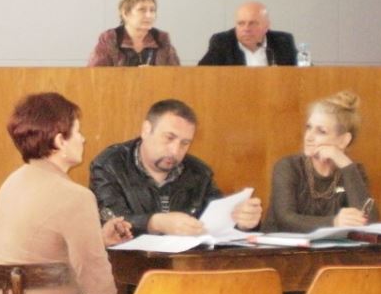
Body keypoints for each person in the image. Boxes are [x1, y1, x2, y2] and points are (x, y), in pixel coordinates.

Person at [0, 92, 130, 294]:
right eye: (78, 132)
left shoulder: (12, 182)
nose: (84, 139)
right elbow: (97, 282)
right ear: (59, 141)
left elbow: (38, 247)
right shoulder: (75, 197)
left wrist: (97, 239)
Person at [90, 99, 262, 236]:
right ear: (146, 130)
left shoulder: (199, 173)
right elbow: (111, 221)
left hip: (187, 265)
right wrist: (155, 223)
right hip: (129, 265)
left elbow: (216, 220)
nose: (175, 150)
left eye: (185, 143)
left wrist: (242, 222)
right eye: (169, 138)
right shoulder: (109, 165)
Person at [263, 90, 379, 232]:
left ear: (343, 140)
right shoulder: (288, 166)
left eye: (321, 131)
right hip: (278, 245)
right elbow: (285, 219)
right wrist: (334, 222)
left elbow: (369, 222)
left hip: (331, 247)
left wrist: (345, 163)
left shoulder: (353, 172)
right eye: (309, 128)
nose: (309, 137)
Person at [87, 0, 181, 66]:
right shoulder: (110, 38)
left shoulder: (161, 38)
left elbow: (176, 75)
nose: (149, 15)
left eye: (152, 10)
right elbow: (94, 76)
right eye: (142, 10)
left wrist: (154, 74)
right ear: (125, 13)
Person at [198, 1, 298, 66]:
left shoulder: (282, 42)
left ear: (266, 26)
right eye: (241, 23)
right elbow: (202, 74)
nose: (246, 29)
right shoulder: (222, 42)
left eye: (253, 23)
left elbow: (302, 74)